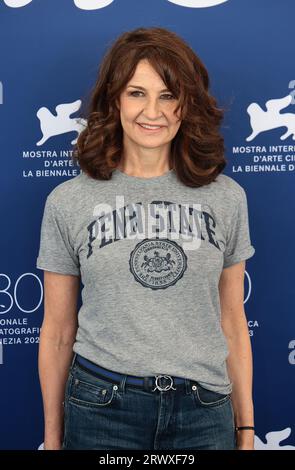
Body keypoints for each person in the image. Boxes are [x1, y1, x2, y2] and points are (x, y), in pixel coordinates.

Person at [36, 26, 256, 451]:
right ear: (113, 99)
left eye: (167, 95)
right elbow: (59, 330)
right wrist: (52, 435)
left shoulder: (227, 198)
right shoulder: (69, 201)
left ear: (187, 104)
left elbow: (232, 321)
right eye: (137, 93)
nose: (151, 111)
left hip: (204, 411)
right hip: (102, 408)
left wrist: (245, 429)